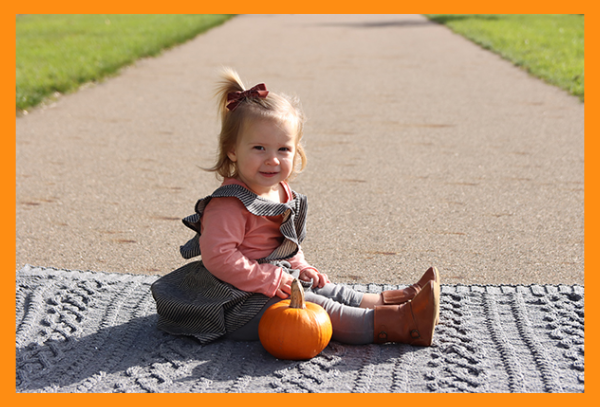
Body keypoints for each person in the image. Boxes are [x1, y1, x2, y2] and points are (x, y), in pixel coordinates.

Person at [151, 68, 440, 347]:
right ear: (232, 151)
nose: (272, 160)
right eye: (259, 148)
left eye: (283, 149)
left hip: (271, 280)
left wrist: (300, 267)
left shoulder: (281, 191)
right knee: (318, 307)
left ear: (296, 150)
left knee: (324, 287)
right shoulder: (228, 205)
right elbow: (219, 257)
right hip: (236, 300)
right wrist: (270, 278)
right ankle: (397, 324)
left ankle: (391, 300)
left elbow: (286, 243)